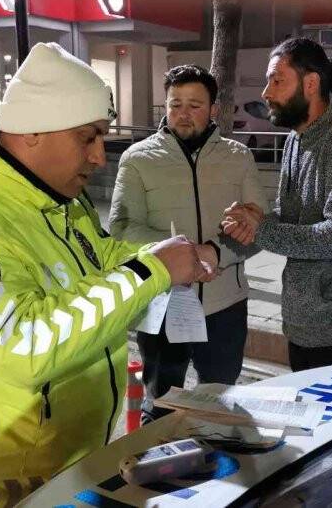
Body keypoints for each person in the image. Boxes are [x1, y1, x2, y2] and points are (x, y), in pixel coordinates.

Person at [0, 43, 215, 507]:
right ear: (32, 132)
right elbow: (24, 346)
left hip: (71, 460)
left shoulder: (57, 201)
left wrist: (169, 254)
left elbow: (102, 256)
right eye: (86, 137)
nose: (98, 157)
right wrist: (152, 269)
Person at [109, 64, 268, 421]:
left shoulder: (237, 158)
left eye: (194, 105)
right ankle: (159, 471)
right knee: (162, 403)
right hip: (162, 301)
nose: (183, 113)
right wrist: (182, 254)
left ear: (213, 108)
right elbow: (120, 229)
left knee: (221, 399)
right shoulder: (137, 159)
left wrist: (214, 253)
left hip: (224, 302)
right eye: (175, 103)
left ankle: (216, 469)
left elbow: (258, 225)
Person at [222, 38, 332, 372]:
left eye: (277, 80)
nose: (266, 92)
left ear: (311, 84)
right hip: (305, 324)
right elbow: (291, 215)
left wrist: (263, 230)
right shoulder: (298, 137)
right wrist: (257, 220)